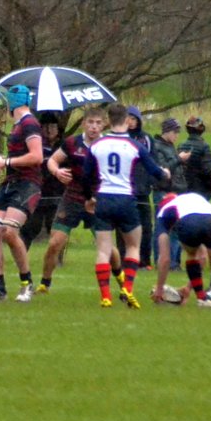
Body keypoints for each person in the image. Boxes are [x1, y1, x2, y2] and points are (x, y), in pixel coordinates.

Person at [82, 102, 168, 309]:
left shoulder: (97, 145)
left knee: (103, 250)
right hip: (126, 200)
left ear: (108, 121)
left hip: (103, 199)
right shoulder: (135, 146)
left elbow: (85, 176)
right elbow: (154, 171)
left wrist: (89, 197)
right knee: (133, 246)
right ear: (127, 120)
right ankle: (127, 288)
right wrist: (165, 174)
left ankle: (105, 296)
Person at [39, 106, 117, 295]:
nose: (94, 127)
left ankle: (124, 284)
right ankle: (44, 284)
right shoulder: (72, 143)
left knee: (108, 247)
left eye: (98, 123)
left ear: (104, 125)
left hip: (97, 201)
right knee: (54, 243)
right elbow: (52, 161)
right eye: (90, 122)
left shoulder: (109, 146)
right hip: (72, 198)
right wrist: (57, 172)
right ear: (83, 124)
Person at [0, 85, 44, 301]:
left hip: (28, 184)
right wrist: (2, 163)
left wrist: (6, 161)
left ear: (11, 103)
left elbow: (37, 156)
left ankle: (27, 284)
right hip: (11, 183)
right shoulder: (18, 125)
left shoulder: (29, 123)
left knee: (9, 231)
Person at [150, 192, 211, 308]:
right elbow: (203, 257)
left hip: (189, 222)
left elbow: (165, 259)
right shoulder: (193, 198)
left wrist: (159, 289)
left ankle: (202, 298)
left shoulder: (163, 213)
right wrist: (188, 288)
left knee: (191, 255)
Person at [20, 115, 62, 251]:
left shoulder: (63, 146)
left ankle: (57, 258)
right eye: (45, 127)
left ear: (58, 129)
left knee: (56, 228)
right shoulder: (35, 147)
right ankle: (21, 255)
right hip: (37, 192)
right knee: (31, 227)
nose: (49, 130)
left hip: (58, 194)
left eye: (53, 127)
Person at [123, 105, 155, 268]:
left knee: (146, 227)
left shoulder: (146, 139)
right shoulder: (120, 138)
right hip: (125, 190)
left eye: (133, 118)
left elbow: (152, 162)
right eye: (127, 118)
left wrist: (150, 181)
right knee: (124, 226)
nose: (130, 121)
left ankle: (144, 260)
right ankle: (124, 259)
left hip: (142, 190)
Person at [150, 117, 183, 268]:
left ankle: (173, 262)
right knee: (162, 227)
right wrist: (179, 159)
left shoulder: (170, 146)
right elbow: (163, 169)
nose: (177, 135)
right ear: (167, 131)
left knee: (176, 227)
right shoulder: (157, 147)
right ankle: (161, 260)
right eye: (175, 132)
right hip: (162, 191)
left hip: (174, 191)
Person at [176, 116, 211, 199]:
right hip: (200, 188)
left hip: (183, 186)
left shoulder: (181, 145)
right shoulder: (204, 147)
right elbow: (208, 170)